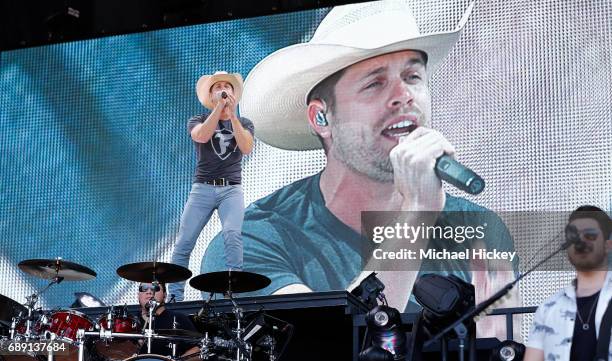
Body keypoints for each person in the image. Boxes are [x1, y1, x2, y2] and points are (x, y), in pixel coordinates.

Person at [202, 0, 518, 336]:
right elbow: (332, 346)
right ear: (321, 117)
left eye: (413, 76)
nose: (404, 95)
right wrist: (417, 215)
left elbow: (503, 345)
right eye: (374, 83)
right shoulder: (249, 242)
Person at [169, 71, 255, 301]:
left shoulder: (245, 123)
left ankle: (232, 291)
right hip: (202, 189)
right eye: (218, 87)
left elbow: (247, 147)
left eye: (227, 86)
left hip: (231, 189)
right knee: (185, 241)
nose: (223, 90)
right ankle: (175, 295)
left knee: (232, 234)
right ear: (210, 94)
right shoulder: (197, 119)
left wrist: (232, 115)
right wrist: (218, 109)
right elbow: (201, 136)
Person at [524, 206, 612, 361]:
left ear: (607, 245)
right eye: (573, 236)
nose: (580, 241)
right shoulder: (548, 308)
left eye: (590, 235)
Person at [137, 282, 199, 357]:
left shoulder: (179, 319)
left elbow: (197, 350)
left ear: (165, 295)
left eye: (155, 288)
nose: (149, 292)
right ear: (138, 295)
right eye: (144, 288)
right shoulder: (129, 322)